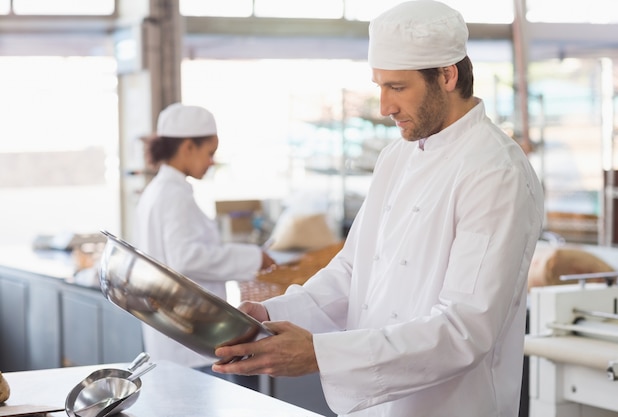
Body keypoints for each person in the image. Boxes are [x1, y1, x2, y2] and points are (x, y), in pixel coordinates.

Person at [212, 1, 544, 416]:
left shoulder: (496, 172)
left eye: (398, 87)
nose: (385, 106)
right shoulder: (397, 156)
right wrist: (269, 314)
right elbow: (353, 271)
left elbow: (466, 329)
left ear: (446, 75)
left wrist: (322, 354)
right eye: (380, 86)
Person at [134, 102, 276, 373]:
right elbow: (187, 258)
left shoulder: (161, 190)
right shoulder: (173, 195)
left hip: (174, 332)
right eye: (209, 153)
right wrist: (253, 258)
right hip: (188, 336)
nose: (212, 162)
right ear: (188, 146)